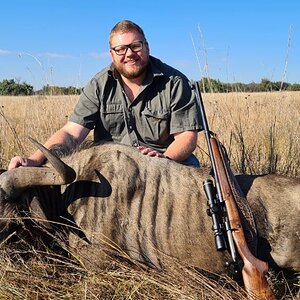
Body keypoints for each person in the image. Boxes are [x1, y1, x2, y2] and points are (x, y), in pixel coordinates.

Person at [8, 20, 202, 170]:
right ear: (111, 54)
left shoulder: (175, 81)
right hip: (113, 167)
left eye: (136, 46)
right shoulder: (98, 84)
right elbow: (71, 133)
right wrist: (33, 159)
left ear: (147, 47)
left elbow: (186, 137)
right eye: (120, 49)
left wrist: (164, 159)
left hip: (164, 161)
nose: (129, 54)